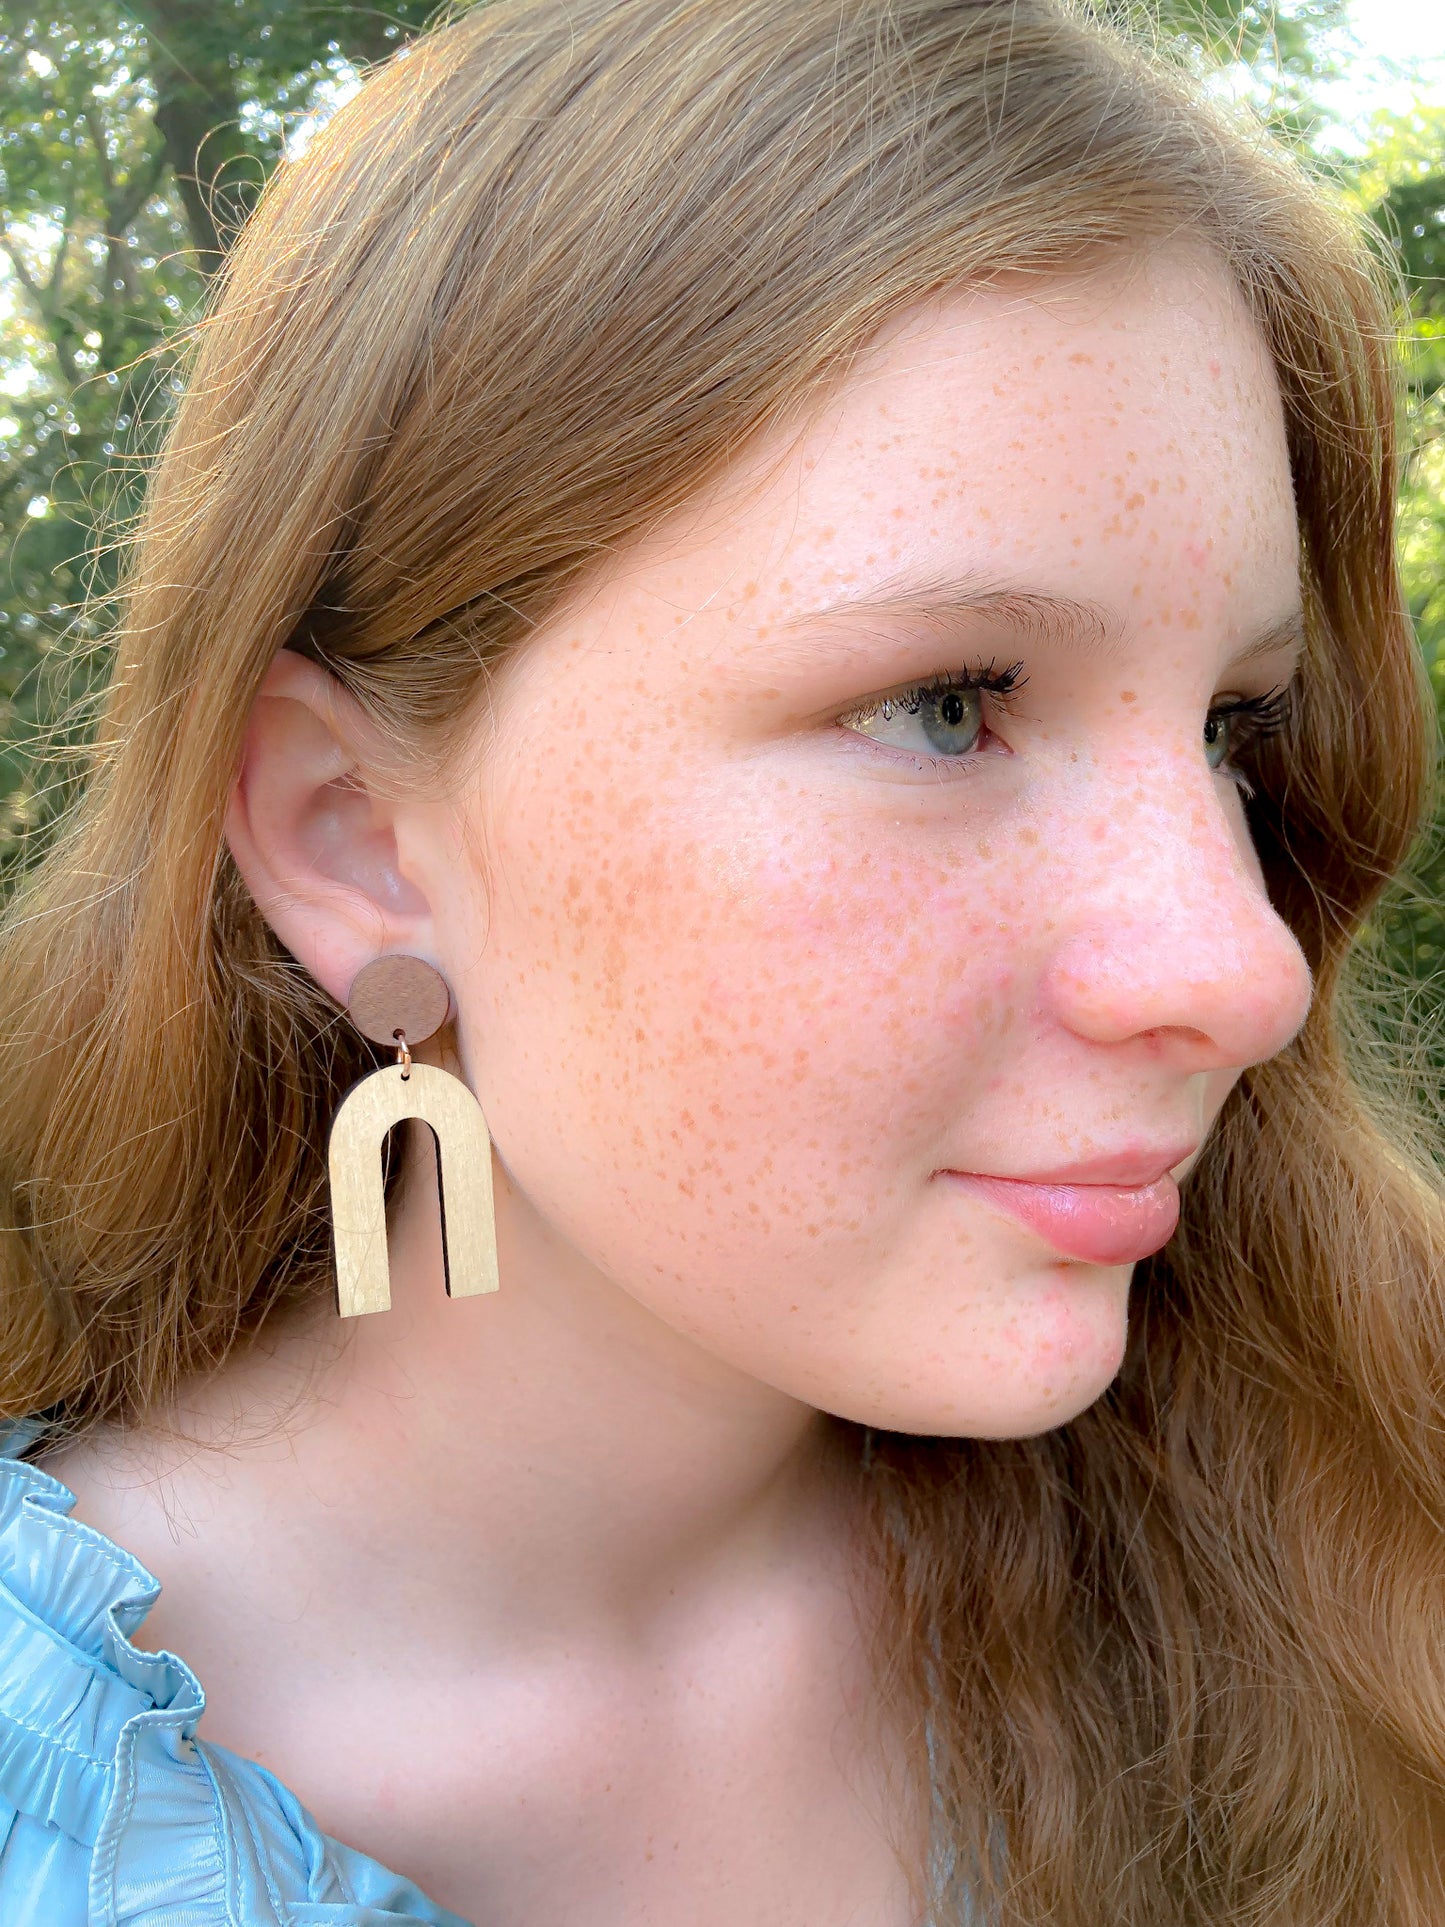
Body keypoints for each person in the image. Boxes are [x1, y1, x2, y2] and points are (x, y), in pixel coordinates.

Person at [0, 0, 1441, 1921]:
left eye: (1231, 728)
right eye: (944, 707)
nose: (1243, 966)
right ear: (352, 837)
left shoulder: (1346, 1546)